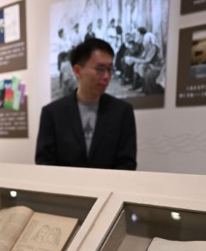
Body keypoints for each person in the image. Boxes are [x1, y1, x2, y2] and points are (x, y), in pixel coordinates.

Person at [35, 38, 137, 170]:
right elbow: (44, 163)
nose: (106, 76)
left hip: (109, 184)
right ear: (77, 71)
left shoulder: (122, 111)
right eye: (100, 69)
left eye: (110, 69)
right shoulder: (52, 113)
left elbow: (127, 163)